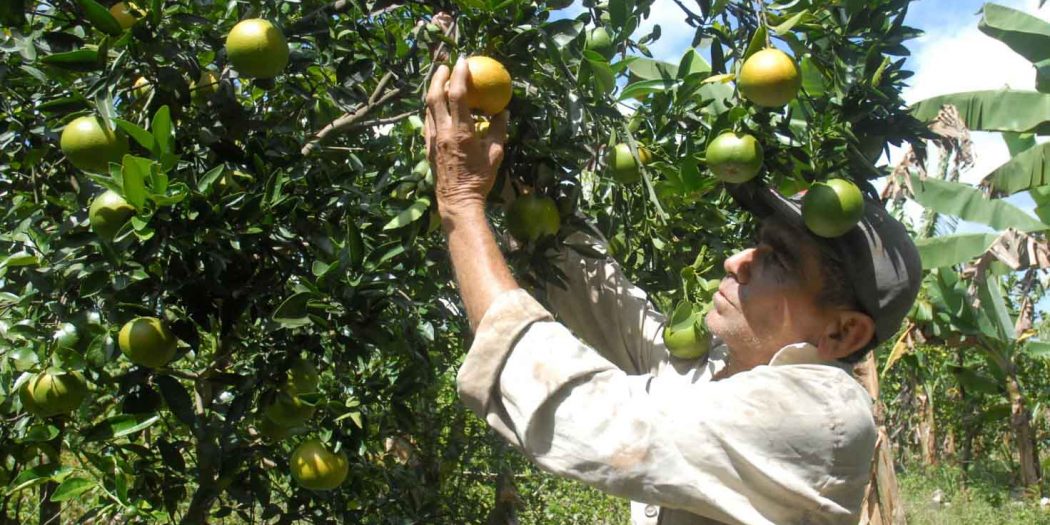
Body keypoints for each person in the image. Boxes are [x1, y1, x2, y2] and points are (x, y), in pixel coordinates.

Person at [425, 58, 922, 525]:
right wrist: (516, 168)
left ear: (842, 331)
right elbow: (602, 294)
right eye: (756, 244)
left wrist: (461, 203)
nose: (736, 261)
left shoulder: (822, 416)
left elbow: (592, 417)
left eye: (779, 259)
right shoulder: (713, 375)